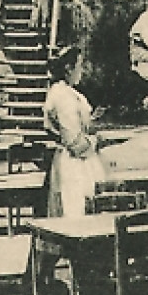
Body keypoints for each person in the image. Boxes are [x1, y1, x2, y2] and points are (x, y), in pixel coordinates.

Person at [43, 45, 106, 217]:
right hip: (74, 165)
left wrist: (90, 120)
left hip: (75, 161)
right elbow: (74, 142)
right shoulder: (63, 96)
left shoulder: (66, 92)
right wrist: (97, 140)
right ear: (68, 68)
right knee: (76, 212)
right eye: (80, 65)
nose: (82, 70)